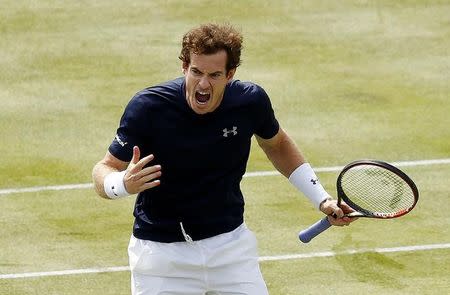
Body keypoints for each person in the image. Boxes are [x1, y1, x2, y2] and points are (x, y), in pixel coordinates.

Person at [92, 23, 355, 295]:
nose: (203, 84)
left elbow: (277, 145)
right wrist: (123, 183)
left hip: (231, 250)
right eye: (196, 72)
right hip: (162, 258)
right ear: (184, 67)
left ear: (230, 74)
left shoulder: (250, 102)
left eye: (215, 75)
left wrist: (321, 199)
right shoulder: (148, 107)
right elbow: (103, 170)